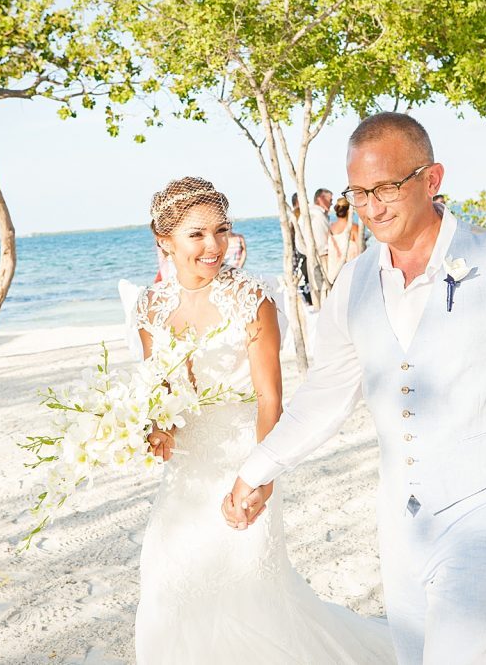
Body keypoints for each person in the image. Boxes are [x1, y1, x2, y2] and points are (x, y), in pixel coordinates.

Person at [224, 113, 486, 664]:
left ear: (432, 179)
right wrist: (258, 469)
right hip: (400, 513)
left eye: (386, 187)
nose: (371, 207)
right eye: (358, 192)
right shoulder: (353, 283)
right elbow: (325, 397)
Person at [133, 177, 395, 663]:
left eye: (221, 230)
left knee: (250, 593)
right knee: (168, 578)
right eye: (196, 234)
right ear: (164, 241)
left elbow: (270, 399)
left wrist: (261, 478)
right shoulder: (149, 307)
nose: (214, 246)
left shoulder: (252, 299)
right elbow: (159, 389)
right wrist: (156, 429)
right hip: (185, 475)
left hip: (244, 460)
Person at [326, 197, 361, 282]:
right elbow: (361, 249)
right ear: (349, 211)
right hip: (351, 273)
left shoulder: (330, 228)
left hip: (333, 273)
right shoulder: (353, 228)